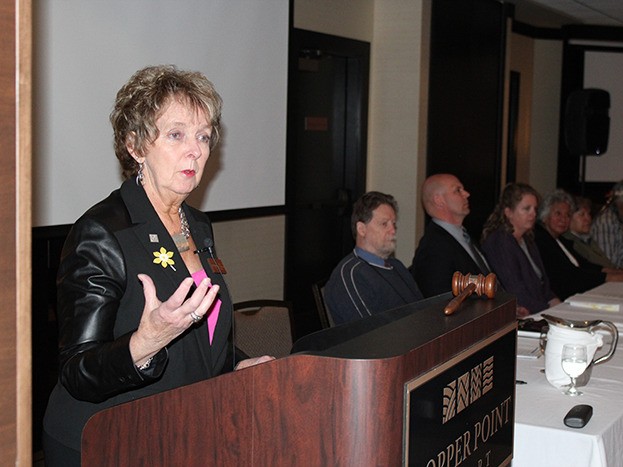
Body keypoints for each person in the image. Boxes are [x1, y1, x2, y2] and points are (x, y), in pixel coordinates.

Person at [42, 65, 272, 466]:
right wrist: (144, 342)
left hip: (176, 429)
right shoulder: (101, 232)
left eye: (203, 136)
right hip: (105, 439)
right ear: (135, 146)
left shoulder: (197, 225)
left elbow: (199, 336)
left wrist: (236, 365)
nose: (196, 150)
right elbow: (77, 371)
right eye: (176, 134)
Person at [324, 191, 423, 325]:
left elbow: (422, 310)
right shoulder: (351, 275)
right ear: (362, 229)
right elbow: (368, 334)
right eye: (384, 224)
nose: (393, 230)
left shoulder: (396, 265)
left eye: (393, 224)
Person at [534, 189, 623, 301]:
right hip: (564, 299)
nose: (563, 219)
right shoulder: (541, 240)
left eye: (567, 215)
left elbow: (585, 265)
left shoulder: (559, 239)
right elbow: (571, 275)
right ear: (544, 215)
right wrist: (618, 277)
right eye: (558, 213)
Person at [481, 183, 560, 316]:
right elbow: (515, 291)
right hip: (523, 314)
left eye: (535, 209)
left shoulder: (527, 239)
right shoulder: (500, 242)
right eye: (526, 209)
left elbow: (542, 284)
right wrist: (549, 311)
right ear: (508, 212)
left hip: (539, 310)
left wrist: (555, 302)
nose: (533, 214)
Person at [412, 173, 491, 297]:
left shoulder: (465, 237)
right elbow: (440, 302)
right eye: (457, 190)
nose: (466, 194)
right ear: (439, 200)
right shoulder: (433, 248)